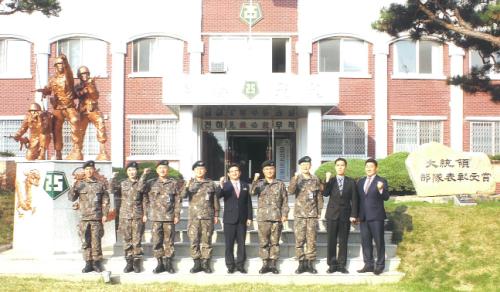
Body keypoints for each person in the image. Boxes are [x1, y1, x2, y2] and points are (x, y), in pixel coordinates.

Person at [68, 160, 110, 273]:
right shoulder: (79, 184)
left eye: (91, 169)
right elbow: (71, 198)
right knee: (85, 241)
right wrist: (73, 186)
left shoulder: (100, 184)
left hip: (96, 218)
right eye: (87, 169)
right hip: (84, 218)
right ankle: (88, 263)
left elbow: (105, 201)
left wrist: (105, 214)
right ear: (84, 171)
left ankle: (97, 263)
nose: (89, 171)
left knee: (96, 241)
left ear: (94, 170)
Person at [37, 54, 82, 160]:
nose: (61, 66)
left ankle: (77, 149)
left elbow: (69, 72)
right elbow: (48, 90)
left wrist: (65, 61)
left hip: (69, 106)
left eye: (62, 64)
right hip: (58, 107)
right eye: (58, 64)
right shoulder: (52, 80)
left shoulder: (68, 77)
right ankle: (58, 152)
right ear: (55, 66)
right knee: (55, 128)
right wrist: (44, 91)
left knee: (75, 120)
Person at [181, 160, 220, 273]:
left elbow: (215, 200)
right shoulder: (189, 183)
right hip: (194, 218)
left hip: (207, 217)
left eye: (202, 169)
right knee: (194, 240)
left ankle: (205, 263)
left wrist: (216, 214)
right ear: (194, 171)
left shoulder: (211, 183)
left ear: (205, 170)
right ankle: (196, 263)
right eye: (197, 169)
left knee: (207, 240)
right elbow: (182, 196)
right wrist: (187, 186)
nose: (199, 171)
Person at [250, 160, 289, 274]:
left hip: (276, 217)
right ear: (263, 171)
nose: (269, 171)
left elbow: (285, 201)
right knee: (263, 242)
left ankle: (273, 264)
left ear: (274, 170)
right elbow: (252, 192)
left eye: (271, 169)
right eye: (267, 169)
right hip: (263, 218)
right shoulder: (260, 183)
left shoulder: (280, 184)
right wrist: (255, 180)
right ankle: (265, 263)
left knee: (275, 242)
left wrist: (285, 214)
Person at [144, 160, 181, 274]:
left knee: (169, 241)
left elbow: (177, 200)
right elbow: (141, 190)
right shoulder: (151, 183)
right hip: (155, 217)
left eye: (164, 168)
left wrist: (177, 214)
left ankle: (168, 263)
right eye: (160, 168)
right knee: (157, 241)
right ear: (157, 170)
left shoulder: (173, 183)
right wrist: (144, 175)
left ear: (167, 170)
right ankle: (159, 263)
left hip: (169, 217)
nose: (162, 170)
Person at [288, 156, 323, 274]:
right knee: (299, 240)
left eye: (307, 164)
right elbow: (291, 191)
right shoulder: (297, 179)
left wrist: (319, 211)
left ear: (310, 166)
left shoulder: (315, 179)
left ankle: (310, 263)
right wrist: (295, 178)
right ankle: (301, 263)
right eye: (303, 164)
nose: (305, 166)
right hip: (300, 215)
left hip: (312, 215)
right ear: (300, 166)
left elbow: (319, 196)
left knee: (311, 240)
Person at [323, 157, 359, 274]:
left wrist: (354, 214)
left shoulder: (351, 181)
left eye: (342, 165)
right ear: (335, 167)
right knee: (331, 240)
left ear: (345, 167)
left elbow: (355, 199)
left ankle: (342, 265)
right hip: (332, 215)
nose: (340, 167)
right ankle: (332, 265)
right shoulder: (331, 180)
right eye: (338, 165)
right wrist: (327, 179)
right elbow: (325, 193)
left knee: (343, 241)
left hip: (345, 215)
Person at [113, 161, 149, 273]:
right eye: (129, 170)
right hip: (125, 216)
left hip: (138, 215)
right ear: (127, 172)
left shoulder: (142, 183)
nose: (132, 172)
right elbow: (112, 190)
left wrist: (145, 214)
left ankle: (136, 263)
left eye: (133, 170)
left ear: (136, 171)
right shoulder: (123, 183)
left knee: (137, 239)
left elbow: (144, 199)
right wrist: (113, 179)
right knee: (127, 239)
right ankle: (129, 263)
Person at [218, 163, 253, 274]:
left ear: (240, 172)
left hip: (242, 219)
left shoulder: (245, 185)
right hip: (229, 219)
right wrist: (220, 185)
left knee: (241, 243)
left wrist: (250, 217)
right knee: (229, 244)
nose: (234, 173)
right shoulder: (225, 185)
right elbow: (218, 195)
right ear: (228, 174)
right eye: (232, 171)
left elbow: (248, 202)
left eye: (236, 170)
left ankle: (240, 265)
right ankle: (230, 265)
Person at [356, 158, 390, 275]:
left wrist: (381, 189)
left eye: (371, 166)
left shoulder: (381, 180)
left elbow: (386, 197)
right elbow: (358, 199)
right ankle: (368, 264)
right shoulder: (360, 182)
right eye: (367, 166)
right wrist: (356, 215)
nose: (369, 168)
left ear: (376, 168)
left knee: (379, 241)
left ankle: (380, 265)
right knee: (365, 242)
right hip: (363, 217)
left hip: (376, 217)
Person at [74, 66, 109, 160]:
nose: (84, 76)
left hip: (92, 108)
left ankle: (102, 151)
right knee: (79, 130)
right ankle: (77, 151)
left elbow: (95, 96)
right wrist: (85, 89)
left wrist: (90, 86)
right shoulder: (78, 86)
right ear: (79, 76)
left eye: (86, 73)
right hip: (82, 109)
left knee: (100, 122)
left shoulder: (92, 83)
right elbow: (76, 95)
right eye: (82, 74)